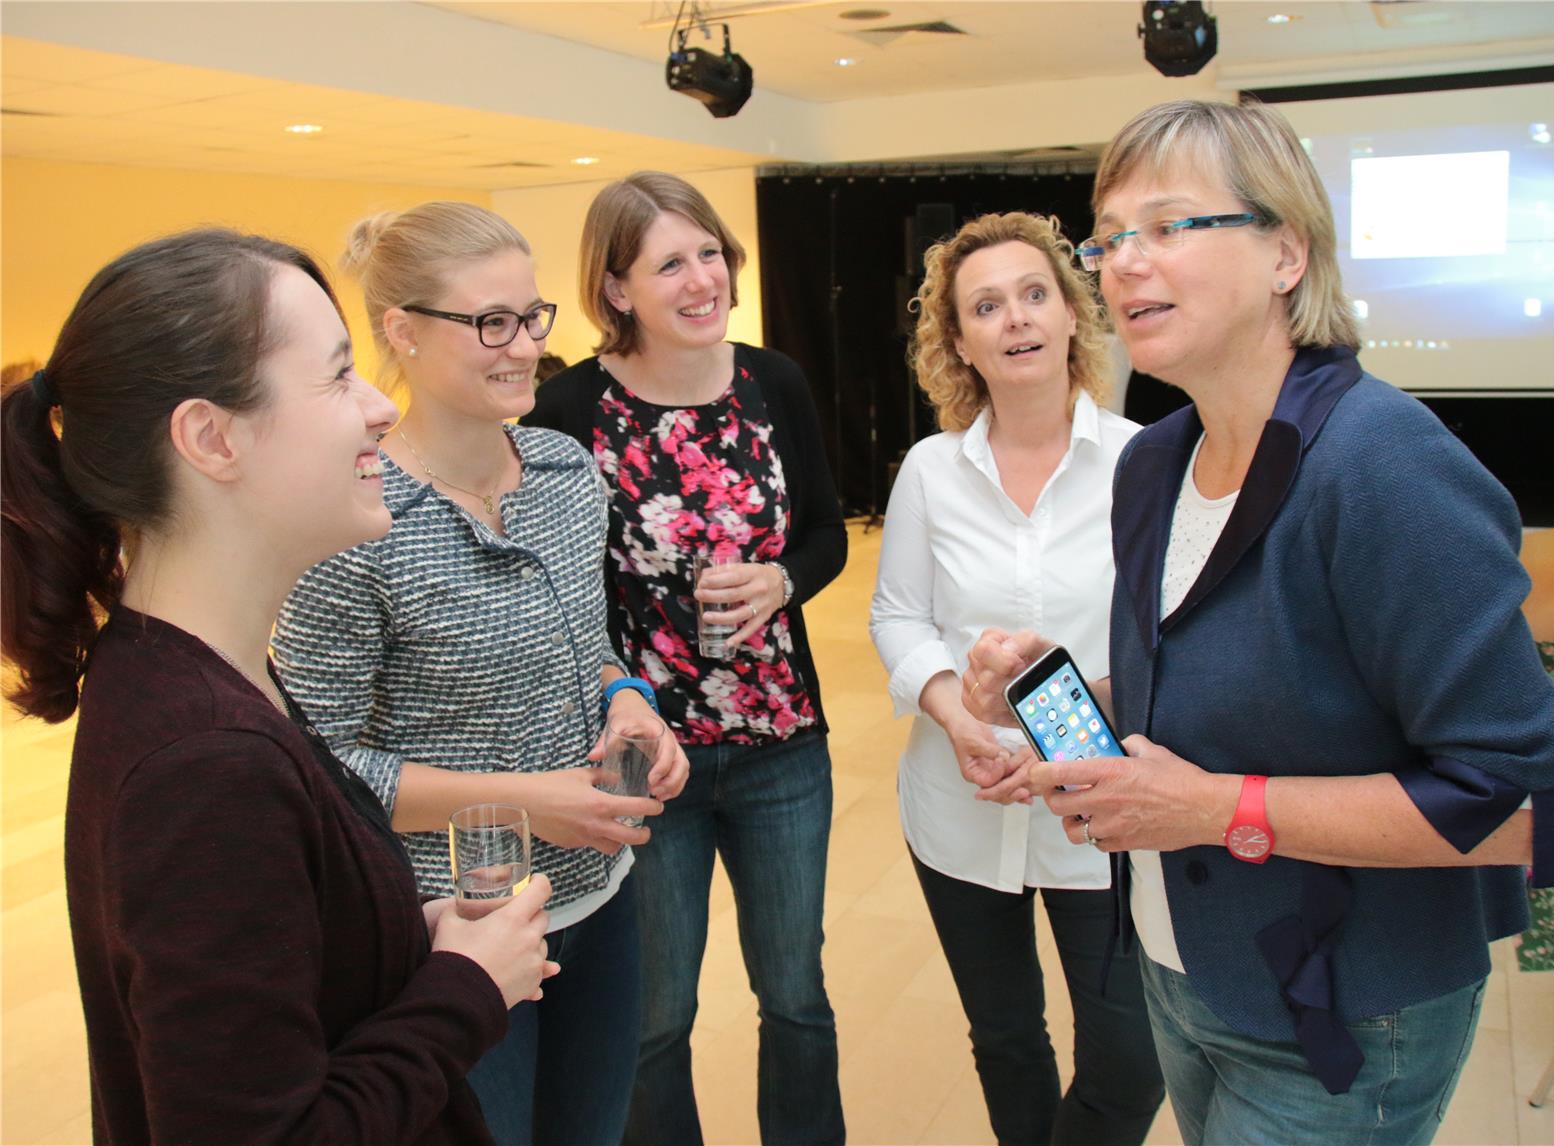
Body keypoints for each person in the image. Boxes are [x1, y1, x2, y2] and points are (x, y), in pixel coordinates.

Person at [962, 100, 1554, 1146]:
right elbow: (1216, 686)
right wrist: (1066, 703)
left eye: (1168, 226)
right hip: (1184, 965)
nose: (1122, 263)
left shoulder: (1384, 465)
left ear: (1287, 252)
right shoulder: (1155, 461)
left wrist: (1214, 808)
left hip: (1344, 1004)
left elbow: (1521, 806)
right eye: (1107, 240)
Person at [0, 229, 558, 1143]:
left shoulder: (197, 671)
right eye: (338, 376)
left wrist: (399, 941)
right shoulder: (204, 762)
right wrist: (466, 990)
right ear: (211, 438)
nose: (378, 407)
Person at [271, 202, 687, 1146]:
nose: (526, 347)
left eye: (532, 317)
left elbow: (590, 644)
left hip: (601, 897)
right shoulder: (354, 517)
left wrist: (629, 703)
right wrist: (526, 804)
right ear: (402, 332)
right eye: (492, 323)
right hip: (448, 933)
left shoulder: (565, 472)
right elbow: (320, 770)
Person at [523, 171, 846, 1146]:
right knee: (655, 1017)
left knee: (795, 996)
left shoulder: (773, 381)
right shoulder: (567, 411)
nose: (704, 278)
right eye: (671, 263)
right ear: (615, 288)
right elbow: (555, 591)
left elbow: (826, 535)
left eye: (711, 253)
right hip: (641, 759)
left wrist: (783, 580)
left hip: (781, 745)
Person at [869, 211, 1164, 1146]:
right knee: (1004, 1039)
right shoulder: (931, 471)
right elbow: (899, 618)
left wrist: (1078, 715)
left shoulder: (1146, 463)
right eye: (987, 306)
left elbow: (1170, 642)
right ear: (960, 342)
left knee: (1130, 1059)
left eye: (1036, 294)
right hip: (960, 801)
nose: (1017, 319)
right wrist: (960, 719)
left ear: (1074, 314)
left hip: (1100, 803)